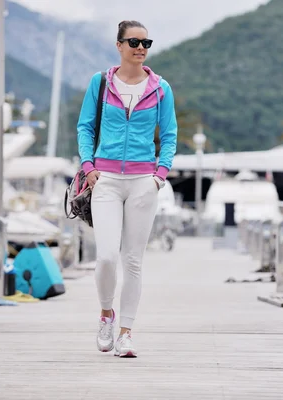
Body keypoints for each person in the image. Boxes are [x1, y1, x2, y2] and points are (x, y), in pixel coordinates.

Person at [76, 20, 178, 358]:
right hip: (104, 179)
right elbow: (85, 126)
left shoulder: (161, 87)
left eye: (146, 42)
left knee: (133, 260)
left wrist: (159, 176)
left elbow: (170, 135)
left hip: (143, 183)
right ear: (119, 45)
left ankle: (126, 334)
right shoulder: (101, 83)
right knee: (106, 257)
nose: (140, 47)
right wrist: (89, 167)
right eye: (133, 41)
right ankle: (107, 314)